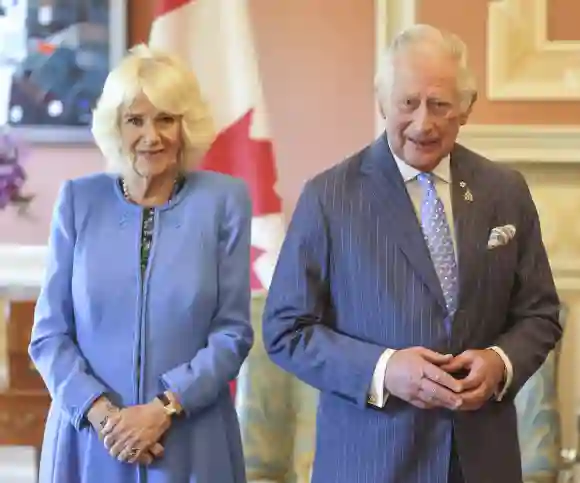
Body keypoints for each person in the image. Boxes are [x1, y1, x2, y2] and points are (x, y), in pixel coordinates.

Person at [261, 24, 562, 483]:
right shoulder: (330, 197)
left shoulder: (505, 191)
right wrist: (384, 370)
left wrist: (501, 362)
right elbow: (285, 330)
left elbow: (539, 313)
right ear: (383, 101)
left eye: (440, 104)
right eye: (408, 103)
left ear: (465, 109)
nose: (423, 123)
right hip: (373, 463)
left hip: (482, 463)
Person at [29, 44, 253, 483]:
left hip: (192, 439)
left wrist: (163, 408)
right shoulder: (77, 201)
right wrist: (105, 417)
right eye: (136, 120)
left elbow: (232, 333)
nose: (152, 136)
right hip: (89, 442)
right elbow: (49, 334)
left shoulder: (224, 201)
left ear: (186, 125)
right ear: (116, 126)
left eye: (166, 118)